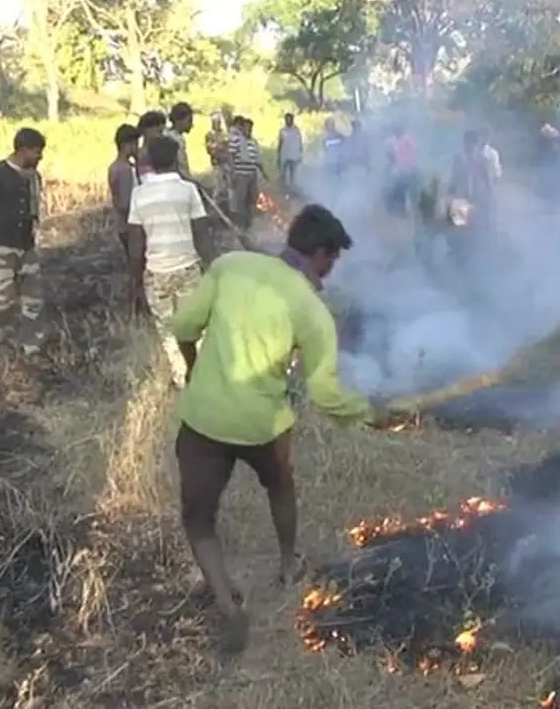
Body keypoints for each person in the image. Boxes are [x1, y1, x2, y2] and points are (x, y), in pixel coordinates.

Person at [169, 204, 406, 653]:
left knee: (199, 519)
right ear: (319, 252)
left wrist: (192, 365)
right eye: (331, 260)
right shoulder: (312, 311)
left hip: (204, 418)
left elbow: (183, 325)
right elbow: (325, 392)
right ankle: (286, 564)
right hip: (264, 424)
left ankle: (226, 603)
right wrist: (369, 413)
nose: (330, 271)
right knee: (280, 487)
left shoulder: (230, 266)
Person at [125, 135, 210, 387]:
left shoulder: (139, 194)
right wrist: (214, 268)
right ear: (175, 159)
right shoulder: (188, 190)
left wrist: (135, 282)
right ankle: (202, 373)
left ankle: (181, 376)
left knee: (167, 329)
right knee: (196, 325)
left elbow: (135, 243)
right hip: (188, 269)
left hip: (156, 273)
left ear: (150, 161)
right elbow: (202, 234)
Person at [0, 127, 47, 355]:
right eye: (36, 152)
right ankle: (8, 344)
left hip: (27, 246)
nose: (40, 157)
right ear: (22, 149)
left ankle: (31, 346)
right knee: (3, 300)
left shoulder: (34, 177)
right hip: (1, 245)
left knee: (33, 298)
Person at [107, 123, 141, 258]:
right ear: (127, 145)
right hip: (130, 225)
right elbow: (125, 203)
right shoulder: (124, 170)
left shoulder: (116, 167)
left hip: (123, 225)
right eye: (135, 144)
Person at [226, 116, 264, 229]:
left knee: (252, 200)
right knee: (240, 201)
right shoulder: (237, 140)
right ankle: (240, 226)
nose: (249, 130)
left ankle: (249, 224)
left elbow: (256, 159)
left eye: (251, 128)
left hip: (252, 174)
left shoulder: (252, 142)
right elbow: (231, 156)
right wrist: (233, 173)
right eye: (247, 128)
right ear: (242, 128)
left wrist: (263, 172)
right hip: (241, 175)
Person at [385, 123, 418, 217]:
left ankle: (404, 210)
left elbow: (413, 151)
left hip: (406, 169)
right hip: (402, 169)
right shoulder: (393, 141)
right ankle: (402, 210)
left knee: (406, 190)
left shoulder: (406, 139)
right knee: (403, 191)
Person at [204, 112, 231, 207]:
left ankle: (229, 204)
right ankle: (215, 205)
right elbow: (210, 150)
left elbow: (228, 147)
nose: (217, 124)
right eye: (215, 121)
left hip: (226, 162)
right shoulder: (209, 135)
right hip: (217, 163)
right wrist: (219, 147)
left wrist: (219, 147)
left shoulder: (224, 134)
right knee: (218, 186)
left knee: (229, 186)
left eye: (218, 121)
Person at [276, 112, 304, 196]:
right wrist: (278, 156)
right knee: (283, 175)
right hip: (284, 156)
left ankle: (292, 191)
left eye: (290, 119)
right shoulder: (282, 130)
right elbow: (280, 143)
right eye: (286, 119)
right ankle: (283, 190)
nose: (288, 121)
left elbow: (300, 143)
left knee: (293, 175)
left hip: (294, 156)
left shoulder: (296, 130)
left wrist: (300, 155)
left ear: (292, 120)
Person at [165, 102, 195, 177]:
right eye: (189, 121)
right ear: (178, 120)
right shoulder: (171, 138)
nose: (191, 125)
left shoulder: (179, 137)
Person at [135, 111, 168, 177]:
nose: (162, 136)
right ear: (146, 130)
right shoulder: (138, 154)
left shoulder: (165, 153)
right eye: (159, 131)